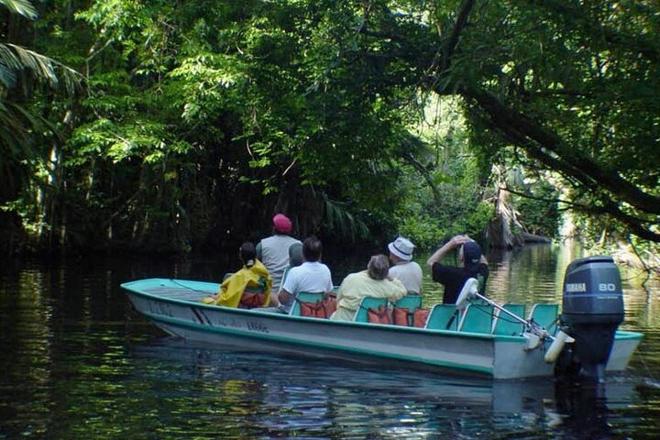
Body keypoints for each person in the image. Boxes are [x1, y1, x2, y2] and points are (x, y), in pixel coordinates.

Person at [330, 254, 407, 321]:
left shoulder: (351, 278)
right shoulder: (387, 286)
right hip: (369, 321)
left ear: (369, 265)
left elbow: (338, 298)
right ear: (386, 272)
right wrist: (392, 279)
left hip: (343, 320)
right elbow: (403, 291)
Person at [202, 242, 272, 308]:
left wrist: (216, 297)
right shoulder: (264, 273)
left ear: (240, 256)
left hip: (241, 304)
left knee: (206, 300)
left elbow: (228, 298)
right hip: (259, 305)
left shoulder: (240, 276)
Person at [277, 236, 333, 314]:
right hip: (316, 314)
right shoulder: (326, 270)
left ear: (303, 254)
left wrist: (279, 295)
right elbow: (328, 295)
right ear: (320, 255)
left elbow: (283, 300)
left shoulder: (294, 272)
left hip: (292, 314)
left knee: (256, 311)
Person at [426, 234, 489, 304]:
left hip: (453, 314)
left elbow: (430, 263)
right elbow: (484, 262)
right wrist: (472, 243)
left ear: (461, 257)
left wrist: (450, 244)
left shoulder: (452, 273)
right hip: (473, 313)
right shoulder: (483, 272)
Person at [256, 213, 302, 306]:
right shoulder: (299, 245)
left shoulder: (262, 244)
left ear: (274, 228)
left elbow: (255, 268)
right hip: (290, 295)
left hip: (268, 294)